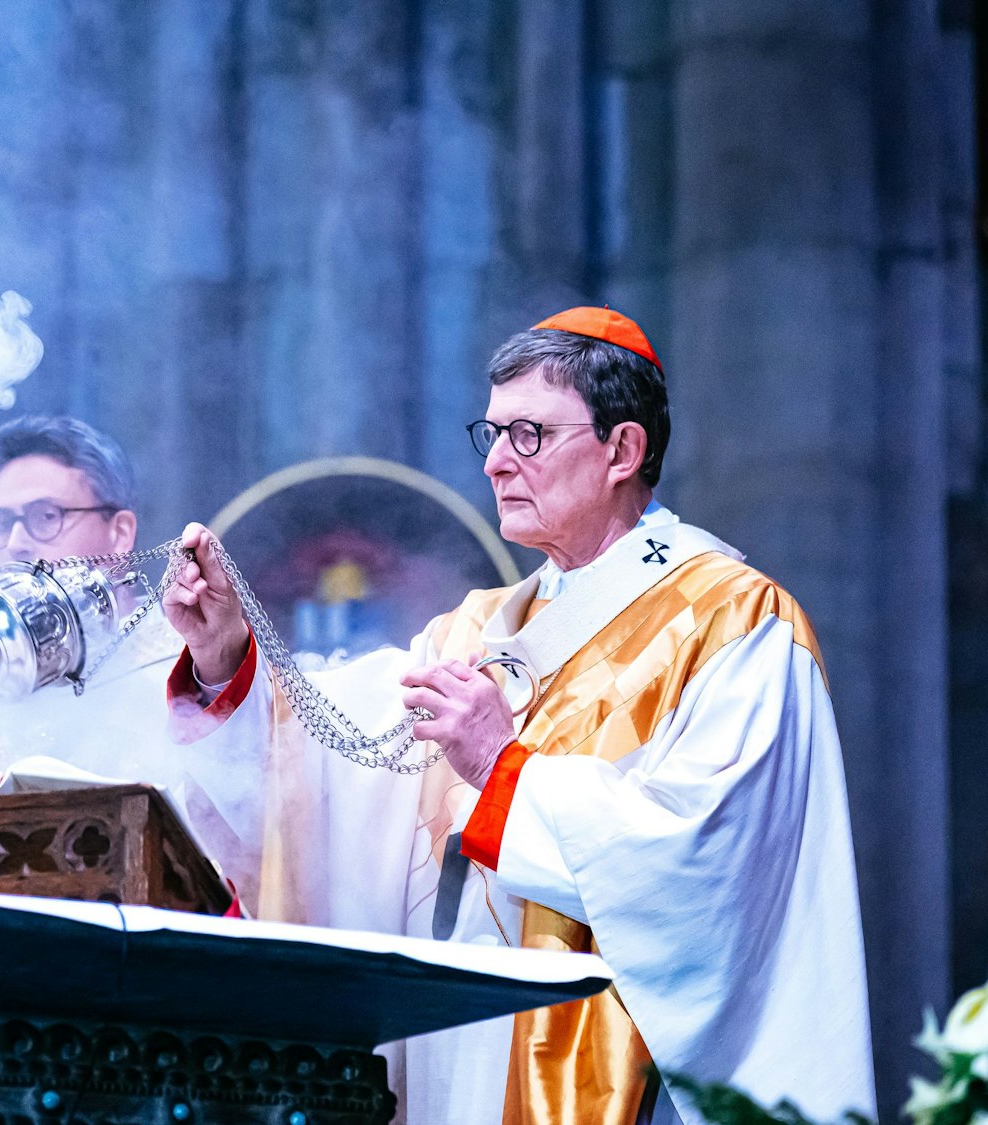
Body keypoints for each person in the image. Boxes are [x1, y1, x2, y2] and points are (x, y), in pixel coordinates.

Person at [161, 309, 874, 1125]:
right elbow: (331, 756)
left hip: (621, 1070)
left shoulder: (734, 622)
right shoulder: (474, 630)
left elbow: (709, 862)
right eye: (492, 434)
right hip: (460, 1062)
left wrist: (506, 768)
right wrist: (225, 659)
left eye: (529, 434)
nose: (498, 462)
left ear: (623, 450)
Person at [0, 415, 260, 899]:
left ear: (120, 532)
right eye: (2, 523)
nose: (18, 542)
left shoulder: (201, 673)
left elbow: (256, 843)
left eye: (46, 517)